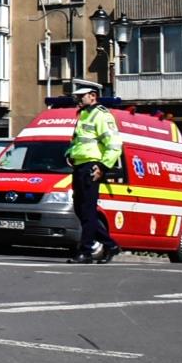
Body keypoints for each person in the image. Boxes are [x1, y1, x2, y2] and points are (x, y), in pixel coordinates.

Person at [66, 82, 122, 263]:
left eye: (81, 96)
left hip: (92, 167)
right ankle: (111, 245)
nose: (78, 99)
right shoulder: (83, 114)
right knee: (81, 210)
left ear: (93, 96)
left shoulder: (102, 116)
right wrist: (69, 154)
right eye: (77, 96)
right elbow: (76, 141)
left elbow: (114, 145)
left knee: (88, 211)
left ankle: (86, 252)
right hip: (79, 167)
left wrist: (103, 167)